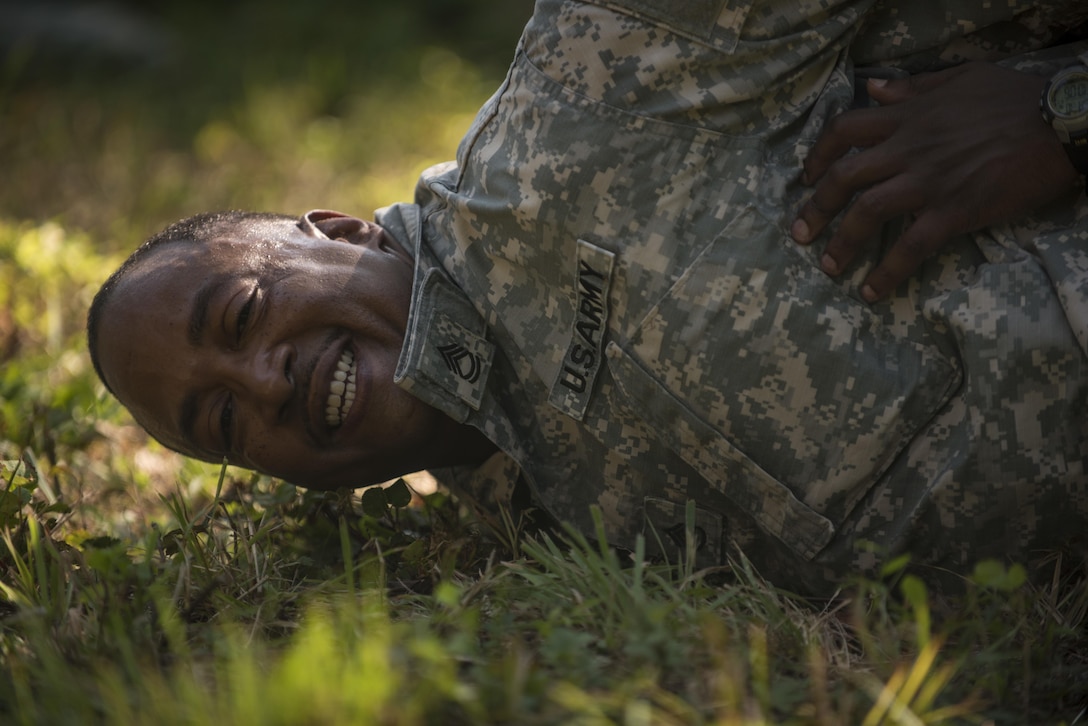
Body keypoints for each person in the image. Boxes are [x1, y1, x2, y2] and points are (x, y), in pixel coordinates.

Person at [88, 0, 1088, 597]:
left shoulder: (599, 88)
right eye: (219, 420)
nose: (263, 383)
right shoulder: (530, 538)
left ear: (342, 231)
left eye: (241, 315)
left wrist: (1060, 109)